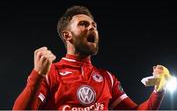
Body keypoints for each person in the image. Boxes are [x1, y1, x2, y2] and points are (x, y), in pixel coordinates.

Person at [13, 6, 167, 110]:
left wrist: (158, 91)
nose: (92, 27)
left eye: (94, 25)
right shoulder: (51, 73)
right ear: (67, 35)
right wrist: (37, 75)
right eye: (83, 24)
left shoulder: (108, 78)